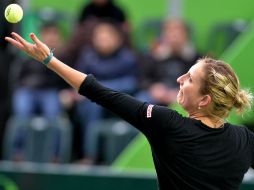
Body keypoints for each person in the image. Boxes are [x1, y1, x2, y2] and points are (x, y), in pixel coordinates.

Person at [5, 32, 254, 190]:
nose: (179, 78)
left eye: (189, 79)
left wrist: (49, 60)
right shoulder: (245, 140)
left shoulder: (167, 124)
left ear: (204, 100)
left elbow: (101, 93)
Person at [68, 19, 139, 164]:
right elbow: (77, 78)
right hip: (91, 101)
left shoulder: (128, 58)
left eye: (107, 37)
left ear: (117, 39)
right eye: (99, 37)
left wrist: (99, 89)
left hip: (119, 101)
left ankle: (99, 156)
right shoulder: (87, 56)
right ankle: (88, 155)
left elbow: (132, 83)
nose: (102, 40)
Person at [8, 23, 65, 162]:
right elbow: (18, 77)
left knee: (53, 115)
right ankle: (18, 153)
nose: (51, 37)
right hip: (27, 90)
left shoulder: (64, 55)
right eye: (48, 33)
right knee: (22, 111)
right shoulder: (29, 54)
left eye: (54, 34)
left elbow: (64, 80)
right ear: (41, 36)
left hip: (50, 92)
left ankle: (54, 156)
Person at [137, 18, 201, 105]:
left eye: (179, 32)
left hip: (185, 95)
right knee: (141, 100)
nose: (174, 36)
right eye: (170, 32)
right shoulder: (153, 57)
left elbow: (200, 83)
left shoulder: (196, 58)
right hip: (158, 96)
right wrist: (153, 87)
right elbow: (143, 79)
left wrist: (182, 91)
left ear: (187, 35)